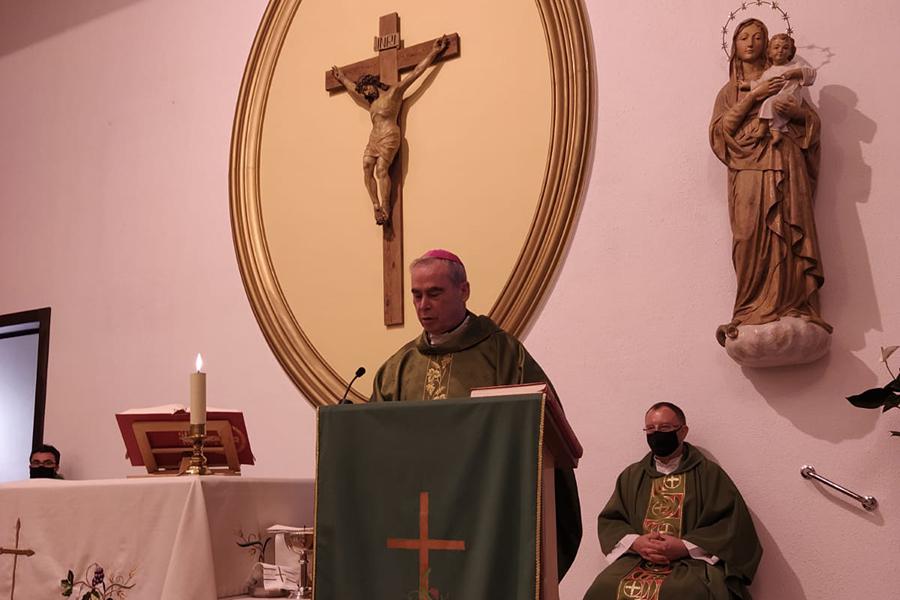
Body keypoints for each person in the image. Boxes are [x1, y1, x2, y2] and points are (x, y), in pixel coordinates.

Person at [370, 248, 582, 579]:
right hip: (414, 517)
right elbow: (374, 441)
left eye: (434, 293)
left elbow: (540, 426)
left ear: (464, 290)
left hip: (483, 514)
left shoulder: (503, 354)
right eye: (417, 295)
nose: (423, 305)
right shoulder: (398, 368)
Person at [710, 19, 831, 347]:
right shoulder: (729, 92)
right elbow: (721, 134)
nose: (751, 43)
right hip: (747, 170)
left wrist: (800, 115)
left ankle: (793, 304)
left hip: (785, 162)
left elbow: (810, 124)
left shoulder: (784, 79)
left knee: (788, 234)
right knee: (749, 235)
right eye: (744, 37)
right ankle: (750, 308)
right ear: (734, 45)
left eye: (758, 37)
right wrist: (754, 97)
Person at [582, 403, 761, 600]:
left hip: (690, 562)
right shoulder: (632, 475)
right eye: (650, 429)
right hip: (640, 559)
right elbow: (611, 521)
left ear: (683, 431)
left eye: (665, 428)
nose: (656, 434)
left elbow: (730, 525)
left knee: (685, 592)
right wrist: (638, 542)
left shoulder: (708, 473)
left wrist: (685, 546)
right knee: (603, 588)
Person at [331, 36, 450, 226]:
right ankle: (376, 204)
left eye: (367, 88)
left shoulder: (394, 93)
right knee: (366, 166)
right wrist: (343, 78)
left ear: (374, 84)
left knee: (381, 170)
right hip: (374, 138)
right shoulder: (370, 103)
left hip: (389, 135)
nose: (365, 92)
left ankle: (386, 207)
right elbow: (353, 90)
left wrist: (434, 52)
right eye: (363, 91)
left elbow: (415, 73)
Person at [739, 33, 816, 145]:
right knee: (769, 104)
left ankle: (765, 129)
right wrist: (747, 85)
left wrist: (796, 73)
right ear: (769, 53)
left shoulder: (795, 66)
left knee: (770, 102)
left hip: (791, 98)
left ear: (790, 52)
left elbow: (811, 75)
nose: (780, 50)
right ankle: (774, 132)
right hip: (777, 100)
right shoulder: (769, 72)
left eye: (785, 48)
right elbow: (760, 84)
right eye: (776, 47)